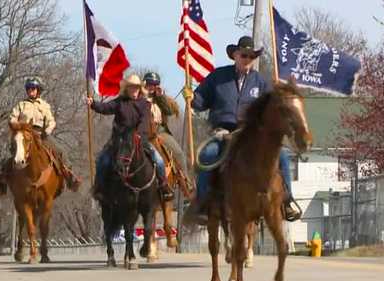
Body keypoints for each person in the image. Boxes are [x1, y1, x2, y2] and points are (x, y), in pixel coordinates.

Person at [184, 36, 300, 222]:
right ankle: (203, 204)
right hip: (223, 132)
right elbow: (200, 102)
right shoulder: (218, 76)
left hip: (252, 135)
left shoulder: (261, 82)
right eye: (244, 55)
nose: (247, 59)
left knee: (283, 156)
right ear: (235, 55)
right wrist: (192, 97)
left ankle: (287, 201)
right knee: (207, 154)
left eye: (251, 56)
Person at [86, 74, 174, 201]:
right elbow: (106, 108)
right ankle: (99, 188)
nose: (134, 90)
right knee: (102, 159)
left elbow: (144, 121)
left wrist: (137, 135)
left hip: (139, 140)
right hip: (119, 140)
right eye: (131, 88)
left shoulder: (144, 104)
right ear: (127, 89)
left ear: (140, 89)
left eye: (136, 88)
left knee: (159, 161)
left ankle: (163, 187)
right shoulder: (120, 102)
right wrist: (93, 103)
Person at [5, 77, 82, 191]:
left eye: (33, 88)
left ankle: (69, 175)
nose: (31, 91)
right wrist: (17, 126)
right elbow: (12, 118)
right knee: (12, 151)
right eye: (29, 89)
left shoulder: (44, 105)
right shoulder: (21, 105)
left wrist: (47, 131)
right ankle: (3, 177)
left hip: (40, 134)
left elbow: (51, 121)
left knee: (60, 151)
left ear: (38, 90)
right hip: (24, 133)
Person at [142, 72, 187, 173]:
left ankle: (186, 183)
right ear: (144, 84)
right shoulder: (138, 97)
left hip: (160, 131)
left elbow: (169, 111)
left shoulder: (160, 98)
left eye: (155, 84)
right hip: (142, 132)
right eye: (149, 84)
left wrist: (161, 96)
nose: (152, 87)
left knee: (179, 154)